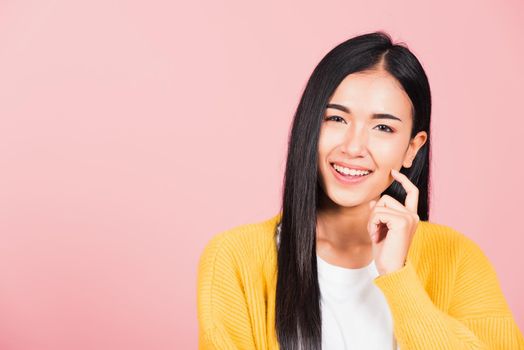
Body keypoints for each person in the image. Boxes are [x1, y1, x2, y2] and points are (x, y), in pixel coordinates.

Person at [196, 31, 524, 349]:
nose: (354, 147)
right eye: (336, 119)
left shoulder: (457, 258)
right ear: (309, 125)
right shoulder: (235, 259)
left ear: (412, 147)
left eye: (383, 127)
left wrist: (398, 278)